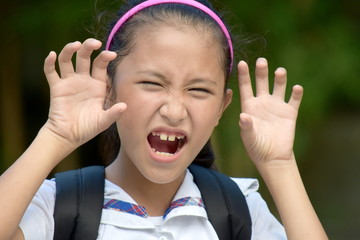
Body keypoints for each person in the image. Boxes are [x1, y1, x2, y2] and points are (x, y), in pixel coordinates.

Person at [0, 0, 328, 239]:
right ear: (108, 88)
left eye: (199, 90)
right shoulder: (56, 206)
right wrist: (56, 136)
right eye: (153, 84)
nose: (174, 110)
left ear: (221, 108)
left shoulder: (239, 209)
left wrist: (279, 164)